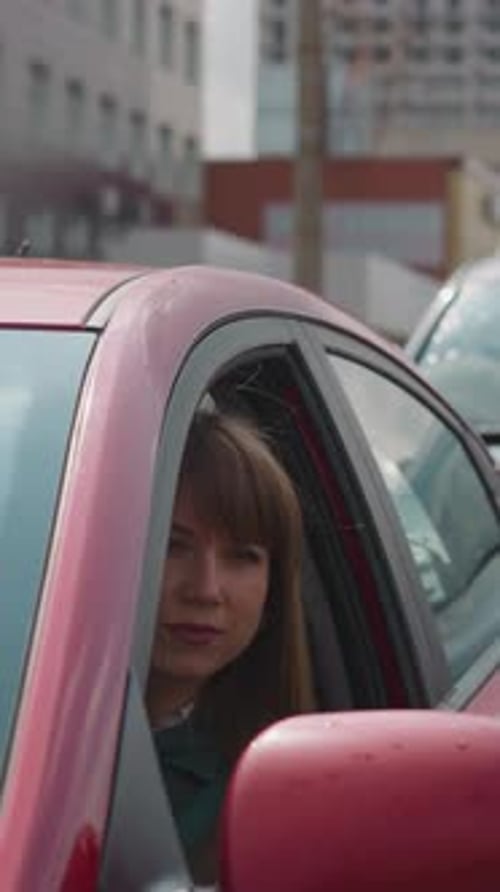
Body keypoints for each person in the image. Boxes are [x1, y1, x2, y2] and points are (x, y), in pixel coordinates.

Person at [146, 409, 316, 884]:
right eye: (171, 545)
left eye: (242, 556)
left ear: (273, 593)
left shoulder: (272, 794)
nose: (205, 588)